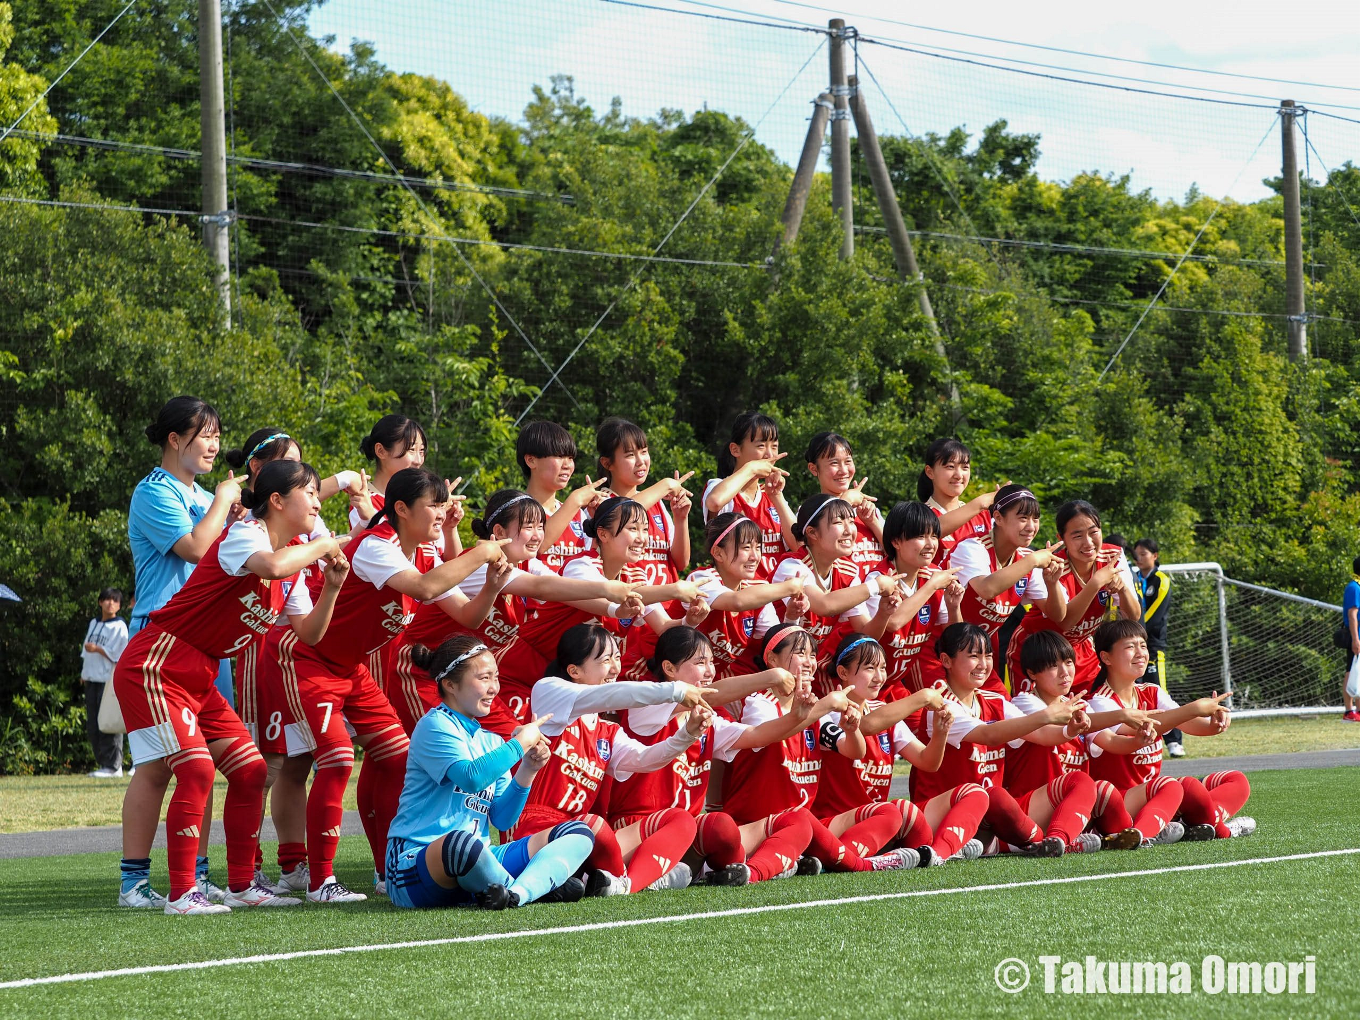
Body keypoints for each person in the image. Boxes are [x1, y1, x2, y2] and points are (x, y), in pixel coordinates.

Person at [114, 459, 349, 914]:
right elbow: (272, 566)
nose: (319, 503)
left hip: (199, 674)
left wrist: (333, 588)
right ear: (276, 501)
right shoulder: (248, 535)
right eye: (310, 493)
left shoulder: (294, 560)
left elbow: (309, 633)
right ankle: (182, 892)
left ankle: (242, 885)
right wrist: (323, 545)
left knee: (252, 772)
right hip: (158, 663)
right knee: (196, 770)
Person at [271, 468, 510, 903]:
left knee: (398, 757)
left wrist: (492, 587)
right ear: (401, 508)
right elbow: (425, 587)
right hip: (308, 660)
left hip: (351, 669)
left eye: (444, 504)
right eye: (433, 505)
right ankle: (319, 880)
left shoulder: (422, 554)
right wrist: (482, 552)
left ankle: (388, 870)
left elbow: (469, 616)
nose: (442, 513)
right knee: (336, 761)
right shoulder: (376, 545)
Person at [385, 634, 596, 909]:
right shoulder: (434, 725)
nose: (494, 687)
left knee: (578, 832)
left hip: (479, 863)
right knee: (460, 845)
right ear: (450, 684)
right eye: (484, 678)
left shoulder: (492, 741)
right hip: (416, 864)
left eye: (496, 677)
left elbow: (503, 819)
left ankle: (517, 894)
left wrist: (528, 768)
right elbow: (471, 778)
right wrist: (520, 744)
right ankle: (537, 887)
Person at [126, 396, 239, 902]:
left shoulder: (210, 498)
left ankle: (197, 874)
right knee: (156, 767)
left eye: (217, 435)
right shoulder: (153, 492)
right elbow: (194, 547)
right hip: (160, 641)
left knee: (208, 761)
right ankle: (134, 882)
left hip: (208, 644)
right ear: (175, 439)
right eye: (205, 434)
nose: (214, 445)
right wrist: (223, 503)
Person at [609, 626, 821, 886]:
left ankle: (749, 867)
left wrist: (796, 717)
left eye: (712, 662)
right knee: (692, 822)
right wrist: (771, 677)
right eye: (700, 663)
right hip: (639, 828)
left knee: (789, 821)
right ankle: (655, 877)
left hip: (687, 833)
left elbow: (757, 735)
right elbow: (713, 694)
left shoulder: (708, 719)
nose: (710, 671)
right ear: (669, 668)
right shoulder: (648, 702)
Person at [510, 624, 713, 894]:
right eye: (606, 660)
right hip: (535, 830)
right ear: (574, 671)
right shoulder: (548, 692)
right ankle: (620, 875)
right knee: (592, 825)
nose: (615, 668)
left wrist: (687, 735)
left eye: (618, 657)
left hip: (582, 835)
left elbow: (645, 759)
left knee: (681, 820)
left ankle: (623, 884)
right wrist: (675, 690)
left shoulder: (608, 731)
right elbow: (607, 696)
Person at [908, 623, 1087, 857]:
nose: (983, 664)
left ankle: (1056, 839)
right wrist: (1046, 715)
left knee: (1081, 781)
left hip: (990, 815)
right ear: (946, 660)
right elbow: (989, 735)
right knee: (987, 794)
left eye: (989, 656)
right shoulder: (942, 705)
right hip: (946, 814)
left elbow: (1042, 735)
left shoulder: (995, 701)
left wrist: (1070, 730)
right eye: (974, 656)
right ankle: (1026, 843)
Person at [1086, 619, 1255, 845]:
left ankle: (1186, 824)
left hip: (1160, 795)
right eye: (1130, 647)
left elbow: (1186, 722)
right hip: (1123, 802)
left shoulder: (1151, 691)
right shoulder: (1099, 702)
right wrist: (1193, 708)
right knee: (1182, 786)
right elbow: (1149, 727)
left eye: (1143, 645)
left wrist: (1214, 724)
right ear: (1106, 657)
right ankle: (1220, 830)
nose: (1140, 653)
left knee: (1236, 780)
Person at [1006, 500, 1139, 699]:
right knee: (1039, 714)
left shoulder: (1113, 555)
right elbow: (1066, 621)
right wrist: (1096, 583)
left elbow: (1133, 616)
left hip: (1080, 649)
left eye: (1094, 532)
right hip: (1038, 649)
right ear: (1061, 538)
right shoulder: (1054, 566)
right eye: (1077, 536)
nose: (1088, 542)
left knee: (1090, 711)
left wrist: (1123, 590)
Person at [950, 485, 1066, 694]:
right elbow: (987, 588)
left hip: (981, 651)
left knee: (1003, 710)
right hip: (944, 647)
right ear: (998, 518)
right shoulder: (972, 547)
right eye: (1023, 518)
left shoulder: (1026, 558)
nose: (1031, 526)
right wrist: (1032, 560)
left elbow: (1057, 615)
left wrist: (1052, 583)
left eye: (1035, 519)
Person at [702, 412, 796, 579]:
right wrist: (751, 469)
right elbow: (714, 502)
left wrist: (777, 497)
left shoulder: (772, 495)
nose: (769, 455)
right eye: (761, 446)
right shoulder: (718, 486)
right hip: (739, 592)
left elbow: (799, 544)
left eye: (774, 446)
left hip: (776, 591)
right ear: (735, 449)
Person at [516, 420, 605, 574]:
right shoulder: (515, 510)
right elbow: (538, 547)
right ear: (531, 460)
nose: (568, 465)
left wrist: (599, 523)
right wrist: (575, 500)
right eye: (559, 456)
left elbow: (593, 564)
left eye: (570, 458)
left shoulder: (578, 515)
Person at [802, 431, 883, 571]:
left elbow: (898, 554)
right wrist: (846, 503)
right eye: (834, 463)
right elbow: (806, 555)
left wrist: (872, 521)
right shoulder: (810, 514)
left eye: (848, 461)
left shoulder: (869, 510)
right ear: (813, 469)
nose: (844, 470)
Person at [916, 438, 1002, 567]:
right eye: (950, 467)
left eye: (965, 467)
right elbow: (931, 529)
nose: (959, 475)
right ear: (930, 472)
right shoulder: (917, 515)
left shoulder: (982, 516)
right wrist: (981, 502)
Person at [1133, 538, 1182, 751]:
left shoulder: (1161, 580)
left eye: (1143, 553)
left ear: (1155, 556)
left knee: (1160, 691)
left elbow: (1154, 614)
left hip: (1152, 645)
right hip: (1133, 642)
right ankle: (1141, 739)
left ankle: (1174, 741)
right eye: (1136, 554)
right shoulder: (1133, 578)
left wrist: (1135, 628)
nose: (1139, 558)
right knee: (1135, 692)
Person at [81, 587, 129, 777]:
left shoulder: (120, 626)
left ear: (119, 606)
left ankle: (114, 766)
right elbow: (86, 650)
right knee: (93, 724)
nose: (111, 603)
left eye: (115, 601)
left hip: (108, 680)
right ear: (100, 602)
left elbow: (121, 654)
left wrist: (98, 649)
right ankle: (104, 764)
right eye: (107, 599)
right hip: (92, 678)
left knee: (109, 721)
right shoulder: (94, 622)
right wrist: (84, 673)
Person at [1343, 557, 1360, 722]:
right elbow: (1352, 614)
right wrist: (1356, 639)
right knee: (1351, 671)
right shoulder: (1354, 587)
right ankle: (1349, 711)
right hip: (1357, 635)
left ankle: (1359, 710)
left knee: (1359, 672)